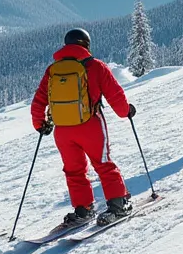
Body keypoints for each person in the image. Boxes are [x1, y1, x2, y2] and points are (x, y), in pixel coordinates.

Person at [31, 28, 136, 226]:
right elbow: (115, 94)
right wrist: (126, 112)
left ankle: (83, 209)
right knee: (104, 164)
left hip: (63, 130)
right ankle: (118, 205)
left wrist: (40, 124)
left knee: (74, 170)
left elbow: (39, 100)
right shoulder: (96, 66)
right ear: (86, 45)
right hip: (90, 126)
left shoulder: (53, 70)